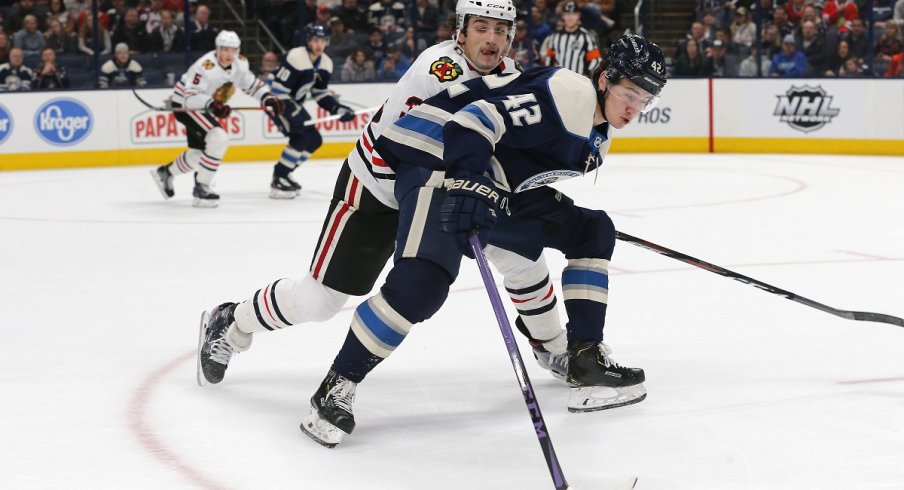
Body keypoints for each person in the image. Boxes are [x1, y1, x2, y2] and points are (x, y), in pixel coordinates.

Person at [196, 0, 571, 418]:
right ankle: (232, 323)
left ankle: (554, 348)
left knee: (522, 256)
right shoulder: (438, 70)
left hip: (440, 193)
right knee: (319, 301)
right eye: (481, 27)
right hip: (379, 188)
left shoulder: (510, 77)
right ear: (460, 31)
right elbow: (411, 150)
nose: (492, 39)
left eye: (501, 30)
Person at [293, 34, 667, 447]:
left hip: (487, 177)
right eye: (629, 93)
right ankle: (336, 385)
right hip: (436, 159)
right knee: (423, 284)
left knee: (591, 230)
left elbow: (517, 162)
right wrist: (470, 179)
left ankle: (584, 356)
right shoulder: (570, 95)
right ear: (605, 79)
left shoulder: (596, 131)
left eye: (645, 99)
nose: (634, 107)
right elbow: (474, 121)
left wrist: (521, 200)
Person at [149, 31, 281, 207]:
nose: (228, 54)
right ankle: (202, 187)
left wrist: (267, 97)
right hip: (187, 106)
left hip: (203, 106)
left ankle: (165, 173)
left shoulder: (240, 63)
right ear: (217, 49)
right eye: (224, 49)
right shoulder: (204, 66)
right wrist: (213, 104)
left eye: (232, 50)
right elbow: (190, 95)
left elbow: (250, 84)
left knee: (202, 152)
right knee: (218, 138)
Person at [265, 23, 354, 199]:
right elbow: (277, 89)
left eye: (323, 41)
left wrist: (337, 108)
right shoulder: (296, 57)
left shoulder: (326, 63)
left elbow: (319, 93)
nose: (319, 45)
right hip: (277, 103)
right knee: (302, 136)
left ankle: (286, 171)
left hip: (293, 103)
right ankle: (279, 176)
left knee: (314, 140)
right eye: (315, 40)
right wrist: (291, 111)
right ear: (308, 41)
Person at [541, 1, 601, 76]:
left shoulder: (586, 37)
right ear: (563, 16)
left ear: (578, 16)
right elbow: (549, 60)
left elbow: (595, 61)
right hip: (559, 80)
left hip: (579, 81)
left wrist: (587, 77)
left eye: (574, 14)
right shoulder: (555, 37)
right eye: (568, 14)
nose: (570, 17)